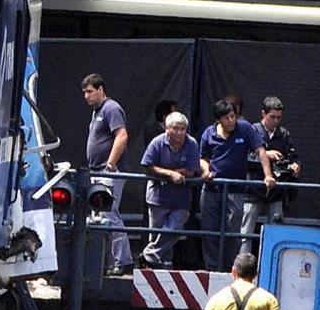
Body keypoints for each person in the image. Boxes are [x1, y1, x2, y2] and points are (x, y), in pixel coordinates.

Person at [199, 99, 275, 271]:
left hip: (235, 189)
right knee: (209, 231)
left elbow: (261, 151)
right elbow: (203, 158)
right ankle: (211, 268)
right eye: (227, 118)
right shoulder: (208, 134)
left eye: (233, 116)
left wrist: (268, 175)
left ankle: (229, 268)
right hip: (212, 188)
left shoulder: (245, 128)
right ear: (218, 119)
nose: (231, 120)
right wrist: (206, 171)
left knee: (233, 232)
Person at [82, 73, 131, 274]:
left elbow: (122, 135)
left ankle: (122, 260)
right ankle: (107, 262)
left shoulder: (111, 108)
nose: (86, 96)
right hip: (97, 171)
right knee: (100, 217)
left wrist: (110, 163)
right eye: (84, 92)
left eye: (90, 91)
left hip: (107, 171)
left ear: (101, 89)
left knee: (110, 215)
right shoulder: (97, 111)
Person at [240, 96, 301, 254]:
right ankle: (241, 264)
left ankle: (272, 261)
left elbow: (293, 157)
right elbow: (242, 156)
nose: (275, 121)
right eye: (272, 117)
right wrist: (265, 154)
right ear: (263, 114)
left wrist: (294, 166)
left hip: (276, 190)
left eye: (278, 118)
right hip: (253, 186)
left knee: (276, 231)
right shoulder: (251, 131)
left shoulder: (284, 134)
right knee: (245, 232)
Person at [139, 112, 200, 267]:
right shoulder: (157, 142)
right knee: (157, 234)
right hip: (158, 197)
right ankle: (162, 265)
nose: (179, 132)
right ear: (167, 128)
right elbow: (147, 166)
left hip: (181, 199)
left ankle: (147, 256)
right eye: (175, 128)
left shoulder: (191, 143)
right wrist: (170, 173)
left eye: (182, 129)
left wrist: (175, 173)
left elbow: (192, 170)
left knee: (174, 229)